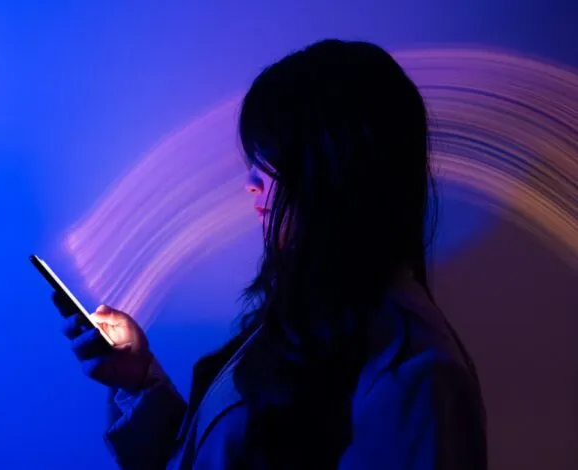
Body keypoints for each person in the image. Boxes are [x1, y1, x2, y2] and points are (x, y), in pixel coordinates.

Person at [54, 39, 487, 469]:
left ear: (337, 171)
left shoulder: (412, 374)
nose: (252, 182)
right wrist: (138, 379)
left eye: (271, 159)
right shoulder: (311, 319)